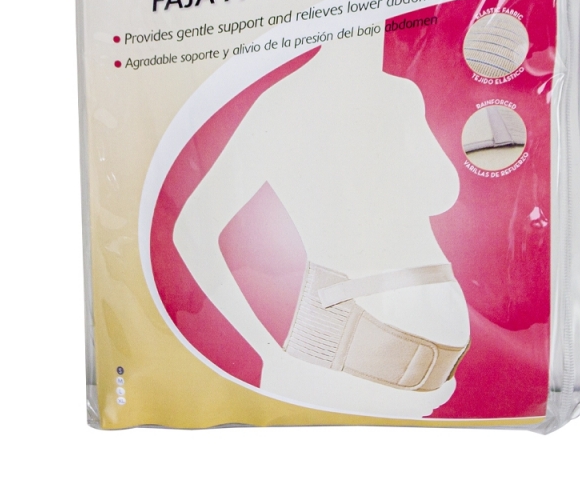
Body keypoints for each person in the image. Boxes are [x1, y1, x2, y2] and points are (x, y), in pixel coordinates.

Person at [174, 28, 470, 417]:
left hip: (423, 382)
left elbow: (442, 196)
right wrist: (268, 353)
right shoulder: (283, 104)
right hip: (333, 369)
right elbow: (192, 229)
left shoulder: (401, 96)